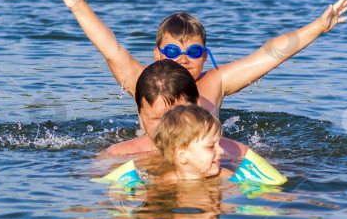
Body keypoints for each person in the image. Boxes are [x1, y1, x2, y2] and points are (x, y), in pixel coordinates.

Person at [55, 0, 347, 116]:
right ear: (158, 54)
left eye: (194, 52)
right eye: (173, 51)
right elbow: (111, 48)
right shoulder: (143, 81)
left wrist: (318, 27)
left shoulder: (215, 83)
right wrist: (78, 5)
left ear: (205, 55)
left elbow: (270, 54)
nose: (184, 58)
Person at [104, 60, 247, 158]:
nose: (166, 127)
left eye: (174, 116)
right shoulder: (117, 157)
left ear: (196, 106)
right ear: (140, 112)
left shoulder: (236, 155)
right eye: (155, 119)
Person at [151, 104, 236, 183]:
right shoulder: (165, 182)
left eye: (219, 143)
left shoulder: (226, 176)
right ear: (182, 155)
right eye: (210, 146)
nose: (221, 150)